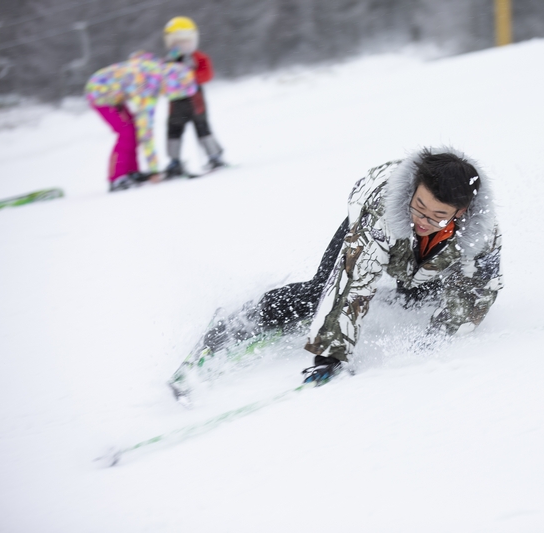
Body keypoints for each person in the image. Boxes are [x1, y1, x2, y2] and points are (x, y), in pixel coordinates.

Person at [182, 146, 503, 391]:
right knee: (319, 293)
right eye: (419, 207)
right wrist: (330, 354)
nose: (423, 219)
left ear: (461, 213)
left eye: (437, 216)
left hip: (427, 257)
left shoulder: (481, 232)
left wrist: (437, 339)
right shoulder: (383, 210)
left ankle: (403, 290)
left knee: (424, 294)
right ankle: (241, 319)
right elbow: (354, 279)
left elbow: (476, 291)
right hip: (371, 228)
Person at [85, 51, 197, 192]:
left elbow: (138, 56)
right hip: (99, 93)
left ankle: (132, 172)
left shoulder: (158, 70)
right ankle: (117, 178)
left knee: (132, 130)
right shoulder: (148, 86)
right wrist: (154, 170)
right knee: (126, 132)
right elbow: (146, 130)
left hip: (111, 92)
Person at [162, 16, 226, 177]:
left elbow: (207, 75)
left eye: (186, 42)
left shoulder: (199, 58)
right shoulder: (168, 62)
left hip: (196, 101)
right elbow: (161, 82)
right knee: (173, 130)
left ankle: (214, 156)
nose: (183, 46)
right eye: (179, 42)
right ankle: (174, 161)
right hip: (176, 103)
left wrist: (190, 76)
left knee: (203, 127)